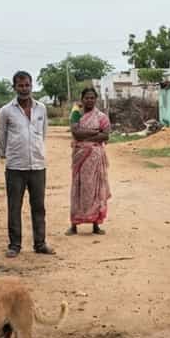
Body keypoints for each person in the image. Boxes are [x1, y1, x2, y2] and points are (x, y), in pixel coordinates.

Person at [0, 71, 55, 258]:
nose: (24, 89)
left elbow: (43, 133)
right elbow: (1, 135)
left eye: (27, 85)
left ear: (31, 85)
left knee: (39, 207)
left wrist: (37, 151)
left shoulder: (41, 109)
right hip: (15, 167)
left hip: (38, 165)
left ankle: (40, 243)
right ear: (14, 87)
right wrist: (9, 154)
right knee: (14, 207)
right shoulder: (6, 111)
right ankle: (15, 245)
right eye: (20, 86)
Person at [67, 87, 112, 236]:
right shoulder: (76, 114)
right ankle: (74, 225)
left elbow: (105, 136)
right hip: (80, 157)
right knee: (78, 189)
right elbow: (76, 133)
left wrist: (85, 136)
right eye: (87, 97)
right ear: (82, 99)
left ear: (96, 99)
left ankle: (95, 225)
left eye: (92, 98)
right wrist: (94, 133)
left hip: (95, 158)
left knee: (96, 190)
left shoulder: (101, 116)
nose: (89, 100)